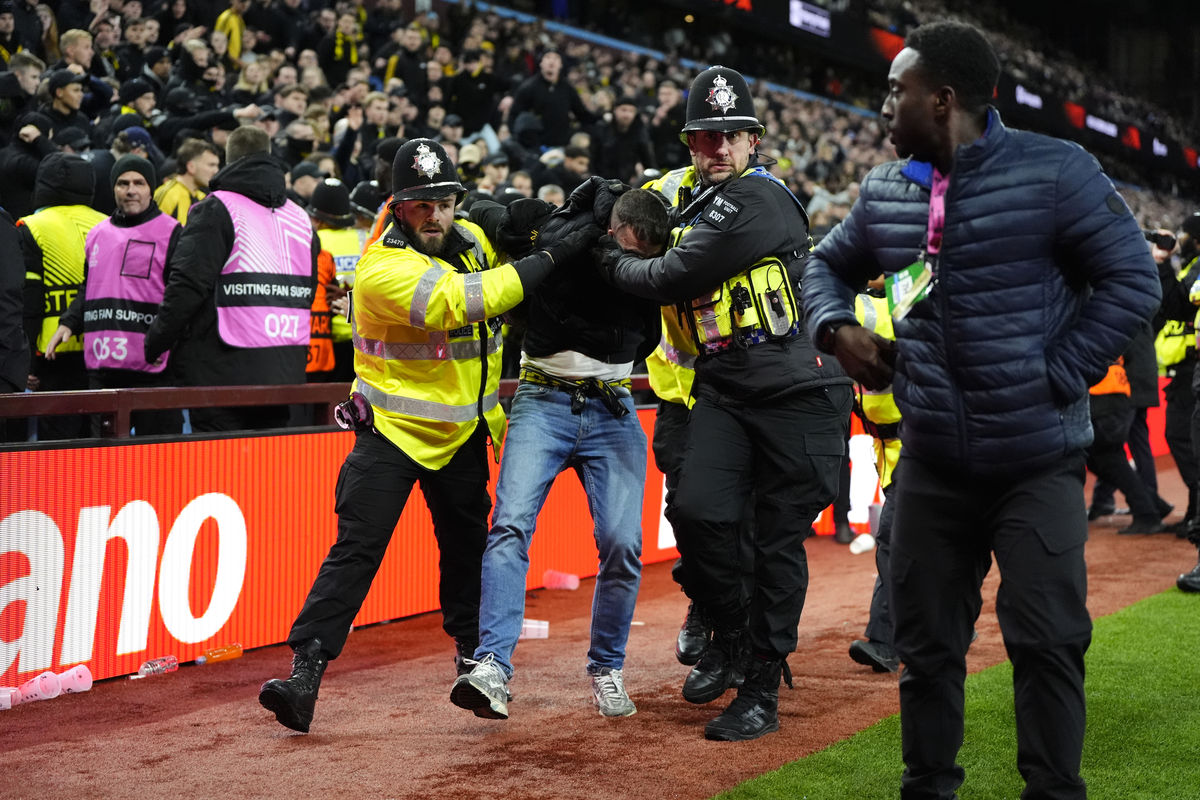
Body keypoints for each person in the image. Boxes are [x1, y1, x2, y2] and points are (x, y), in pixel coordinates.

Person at [801, 21, 1161, 798]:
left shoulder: (1056, 170)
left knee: (1049, 643)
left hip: (1037, 461)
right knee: (927, 651)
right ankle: (928, 787)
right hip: (933, 462)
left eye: (895, 90)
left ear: (943, 98)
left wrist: (1056, 373)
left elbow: (1134, 279)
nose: (882, 105)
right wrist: (838, 329)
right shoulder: (886, 191)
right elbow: (822, 266)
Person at [257, 138, 599, 734]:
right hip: (390, 434)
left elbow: (502, 230)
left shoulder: (468, 239)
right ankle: (305, 673)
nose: (435, 215)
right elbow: (465, 302)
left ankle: (476, 666)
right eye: (420, 205)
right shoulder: (381, 268)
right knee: (357, 551)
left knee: (467, 556)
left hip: (462, 433)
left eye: (445, 202)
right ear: (396, 206)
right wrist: (551, 255)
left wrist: (521, 216)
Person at [601, 65, 852, 742]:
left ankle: (762, 687)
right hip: (725, 387)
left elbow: (670, 273)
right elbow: (640, 221)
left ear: (754, 142)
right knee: (695, 509)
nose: (717, 147)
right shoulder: (688, 198)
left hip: (801, 395)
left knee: (774, 545)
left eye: (730, 136)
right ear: (689, 143)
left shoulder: (760, 199)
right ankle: (733, 640)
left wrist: (609, 260)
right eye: (704, 137)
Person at [450, 183, 661, 720]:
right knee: (509, 525)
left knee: (623, 542)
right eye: (629, 252)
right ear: (613, 230)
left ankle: (607, 667)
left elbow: (649, 338)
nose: (629, 268)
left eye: (644, 260)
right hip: (542, 397)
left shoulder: (654, 260)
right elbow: (498, 218)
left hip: (612, 405)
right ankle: (491, 665)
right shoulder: (563, 232)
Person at [143, 125, 319, 432]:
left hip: (221, 370)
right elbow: (308, 288)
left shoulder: (217, 208)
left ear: (229, 160)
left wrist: (156, 341)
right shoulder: (300, 218)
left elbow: (186, 285)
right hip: (285, 369)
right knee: (269, 471)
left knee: (218, 472)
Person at [44, 154, 183, 435]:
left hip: (153, 369)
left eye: (139, 183)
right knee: (106, 464)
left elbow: (181, 297)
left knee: (160, 460)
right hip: (103, 368)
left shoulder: (172, 232)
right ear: (113, 189)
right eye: (122, 183)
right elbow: (90, 284)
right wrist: (69, 321)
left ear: (150, 188)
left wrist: (165, 341)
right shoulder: (97, 234)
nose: (130, 190)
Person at [17, 152, 108, 439]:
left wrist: (27, 359)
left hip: (53, 352)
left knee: (58, 447)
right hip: (104, 346)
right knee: (100, 438)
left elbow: (28, 301)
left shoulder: (32, 226)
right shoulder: (108, 223)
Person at [154, 138, 222, 224]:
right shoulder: (168, 195)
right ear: (191, 167)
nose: (216, 171)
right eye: (211, 165)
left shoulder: (203, 198)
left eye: (217, 165)